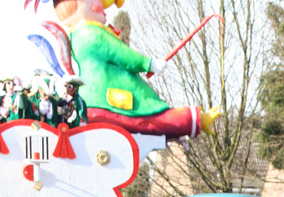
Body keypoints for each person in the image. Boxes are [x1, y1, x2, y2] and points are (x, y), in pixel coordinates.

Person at [50, 0, 220, 140]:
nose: (104, 5)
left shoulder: (77, 36)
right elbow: (122, 55)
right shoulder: (92, 33)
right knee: (153, 119)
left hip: (93, 100)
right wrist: (149, 63)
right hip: (108, 100)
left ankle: (193, 121)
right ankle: (195, 120)